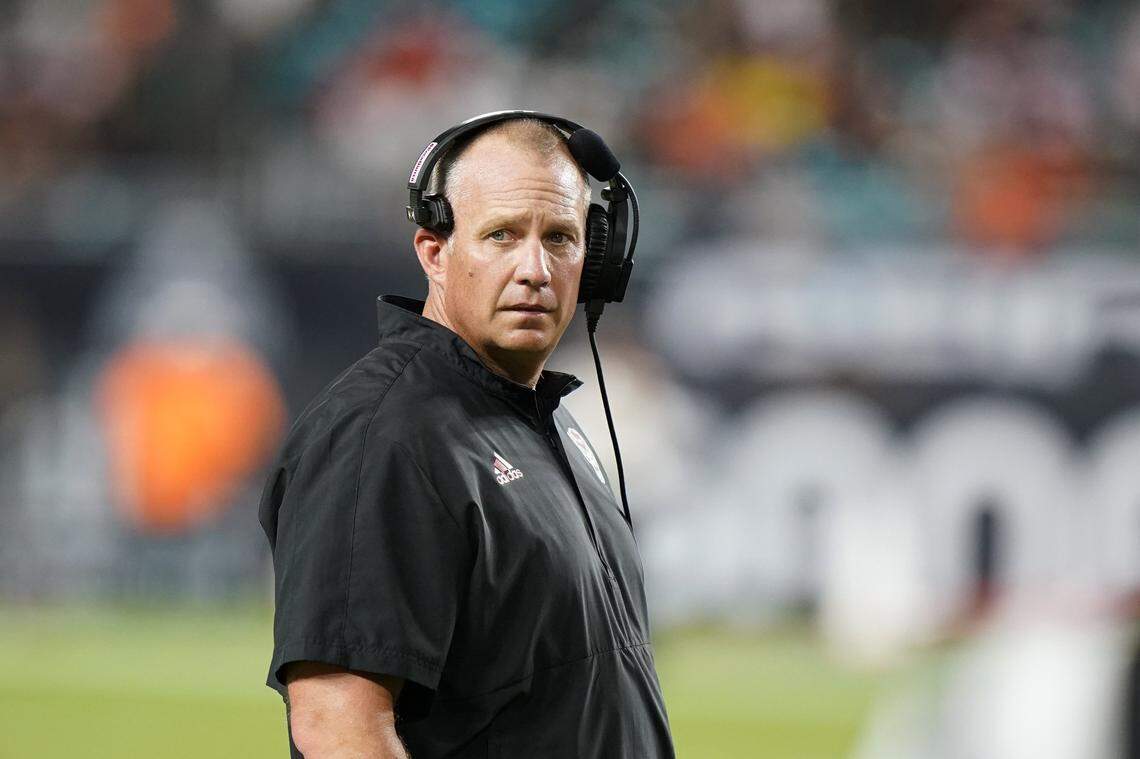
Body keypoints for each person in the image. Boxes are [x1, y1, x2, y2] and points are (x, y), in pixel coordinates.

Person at [258, 114, 675, 758]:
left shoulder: (540, 417)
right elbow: (339, 727)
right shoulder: (385, 436)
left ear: (595, 261)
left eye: (560, 237)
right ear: (435, 251)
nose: (535, 267)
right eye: (502, 236)